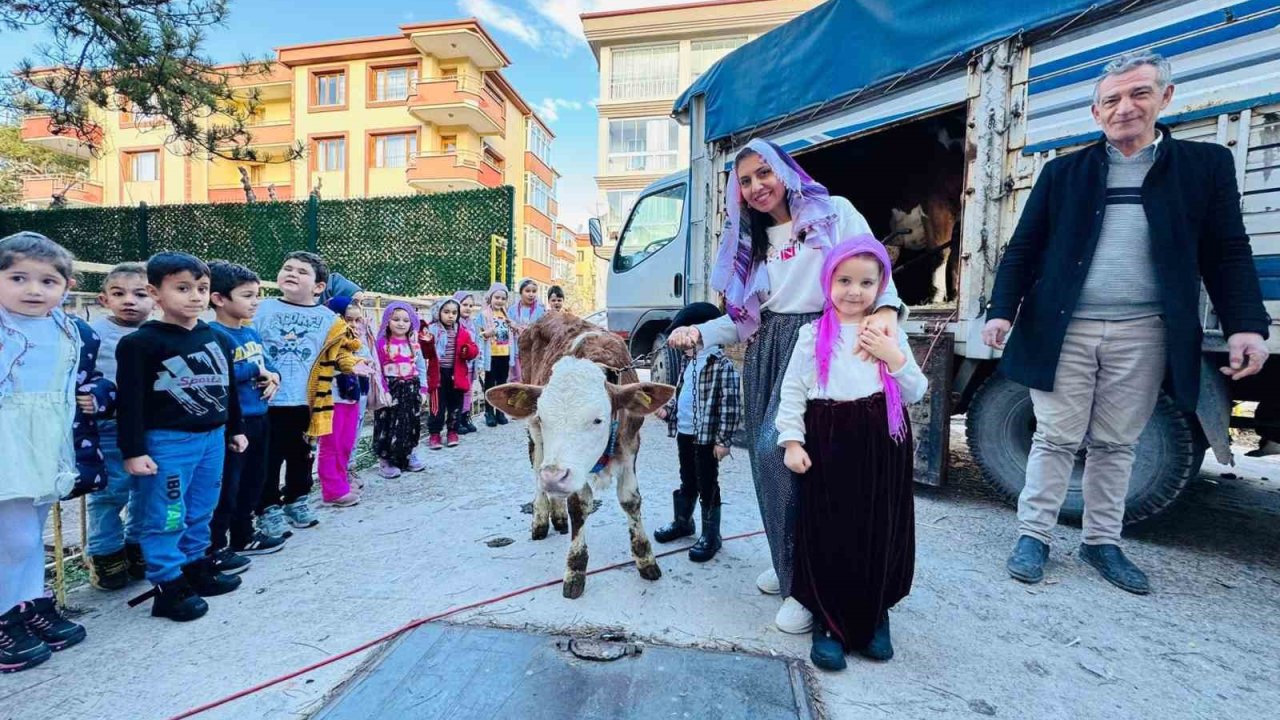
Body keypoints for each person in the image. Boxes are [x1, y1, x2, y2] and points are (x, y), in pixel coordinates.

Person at [981, 52, 1271, 595]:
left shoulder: (1203, 168)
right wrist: (1001, 311)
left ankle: (1102, 542)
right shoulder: (1063, 173)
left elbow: (1227, 251)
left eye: (1139, 93)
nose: (1125, 108)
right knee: (1055, 436)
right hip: (1064, 329)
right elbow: (1023, 250)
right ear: (1096, 113)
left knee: (1117, 442)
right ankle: (1034, 535)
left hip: (1144, 330)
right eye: (1111, 99)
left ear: (1166, 98)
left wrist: (1246, 324)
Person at [667, 138, 904, 634]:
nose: (756, 187)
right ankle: (789, 564)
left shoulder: (832, 212)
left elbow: (873, 270)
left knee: (794, 457)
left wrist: (884, 312)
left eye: (763, 173)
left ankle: (807, 581)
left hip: (824, 339)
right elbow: (742, 321)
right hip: (770, 347)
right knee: (766, 461)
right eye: (745, 181)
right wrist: (699, 331)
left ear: (785, 171)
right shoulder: (750, 246)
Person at [777, 237, 927, 670]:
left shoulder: (885, 332)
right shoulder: (811, 335)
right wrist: (791, 441)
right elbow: (794, 391)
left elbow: (917, 390)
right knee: (827, 529)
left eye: (866, 282)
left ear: (881, 286)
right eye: (844, 280)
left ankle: (874, 614)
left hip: (882, 443)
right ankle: (828, 621)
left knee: (879, 529)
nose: (854, 291)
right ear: (828, 282)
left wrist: (892, 356)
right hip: (827, 442)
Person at [116, 252, 247, 622]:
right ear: (154, 293)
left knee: (203, 507)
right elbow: (129, 403)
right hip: (168, 444)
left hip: (213, 440)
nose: (194, 297)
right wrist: (134, 450)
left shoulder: (216, 337)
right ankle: (168, 585)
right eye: (182, 288)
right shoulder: (141, 344)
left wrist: (235, 428)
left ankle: (195, 565)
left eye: (202, 289)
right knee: (167, 514)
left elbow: (229, 389)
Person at [0, 232, 104, 671]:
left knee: (34, 529)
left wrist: (96, 394)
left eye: (47, 281)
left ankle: (27, 604)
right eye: (18, 277)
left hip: (48, 436)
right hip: (6, 439)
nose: (33, 290)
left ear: (66, 286)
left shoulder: (69, 328)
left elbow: (80, 379)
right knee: (15, 538)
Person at [254, 252, 370, 536]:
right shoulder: (262, 309)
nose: (292, 273)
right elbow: (248, 345)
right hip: (267, 402)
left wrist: (353, 364)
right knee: (268, 459)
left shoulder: (329, 319)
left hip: (309, 402)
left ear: (319, 287)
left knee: (302, 456)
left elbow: (342, 351)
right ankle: (267, 508)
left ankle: (297, 500)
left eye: (302, 272)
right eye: (287, 268)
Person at [206, 261, 287, 573]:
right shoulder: (213, 334)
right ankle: (216, 545)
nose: (255, 302)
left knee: (255, 479)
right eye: (248, 295)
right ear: (219, 299)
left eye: (257, 295)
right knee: (229, 485)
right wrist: (256, 370)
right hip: (233, 424)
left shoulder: (251, 332)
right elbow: (221, 373)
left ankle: (244, 534)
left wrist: (274, 377)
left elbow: (270, 364)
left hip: (261, 417)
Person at [653, 302, 742, 563]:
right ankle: (683, 522)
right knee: (687, 479)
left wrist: (723, 441)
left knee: (707, 484)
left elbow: (730, 406)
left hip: (707, 438)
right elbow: (680, 393)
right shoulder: (688, 362)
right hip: (685, 432)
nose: (680, 343)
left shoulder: (722, 365)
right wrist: (667, 411)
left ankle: (711, 535)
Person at [86, 262, 153, 591]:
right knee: (110, 492)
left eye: (139, 294)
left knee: (146, 490)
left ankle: (136, 545)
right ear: (103, 299)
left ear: (154, 297)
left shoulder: (157, 332)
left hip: (150, 426)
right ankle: (105, 553)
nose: (129, 300)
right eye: (119, 293)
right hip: (110, 426)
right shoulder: (93, 335)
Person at [316, 296, 368, 506]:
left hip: (352, 396)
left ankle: (342, 480)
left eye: (357, 320)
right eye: (348, 319)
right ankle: (332, 489)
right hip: (332, 397)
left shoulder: (357, 342)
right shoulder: (327, 340)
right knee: (332, 444)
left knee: (346, 442)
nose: (353, 325)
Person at [373, 301, 428, 477]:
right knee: (387, 424)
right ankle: (386, 460)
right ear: (387, 320)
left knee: (410, 422)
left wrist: (424, 389)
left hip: (411, 389)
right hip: (391, 390)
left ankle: (408, 454)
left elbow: (420, 367)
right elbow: (377, 369)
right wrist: (384, 391)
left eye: (406, 320)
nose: (401, 323)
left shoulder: (413, 342)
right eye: (396, 319)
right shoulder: (381, 343)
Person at [422, 298, 479, 451]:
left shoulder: (462, 331)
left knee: (455, 406)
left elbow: (473, 349)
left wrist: (468, 351)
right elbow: (426, 354)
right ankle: (435, 434)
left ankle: (452, 432)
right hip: (438, 375)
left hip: (457, 375)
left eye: (454, 313)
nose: (450, 316)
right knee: (437, 407)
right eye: (446, 312)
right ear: (438, 312)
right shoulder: (431, 330)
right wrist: (426, 342)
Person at [478, 282, 517, 427]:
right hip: (491, 355)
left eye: (502, 298)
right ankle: (489, 412)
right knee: (490, 384)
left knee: (502, 384)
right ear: (490, 298)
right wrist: (485, 334)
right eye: (497, 297)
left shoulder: (506, 314)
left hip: (504, 354)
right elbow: (477, 335)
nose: (499, 301)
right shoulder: (484, 315)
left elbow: (512, 334)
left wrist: (513, 326)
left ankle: (500, 411)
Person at [452, 290, 482, 435]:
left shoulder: (473, 324)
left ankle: (465, 417)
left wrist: (478, 362)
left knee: (468, 392)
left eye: (471, 305)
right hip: (458, 366)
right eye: (464, 304)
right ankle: (455, 420)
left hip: (470, 365)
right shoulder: (454, 324)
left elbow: (477, 343)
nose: (468, 308)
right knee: (457, 393)